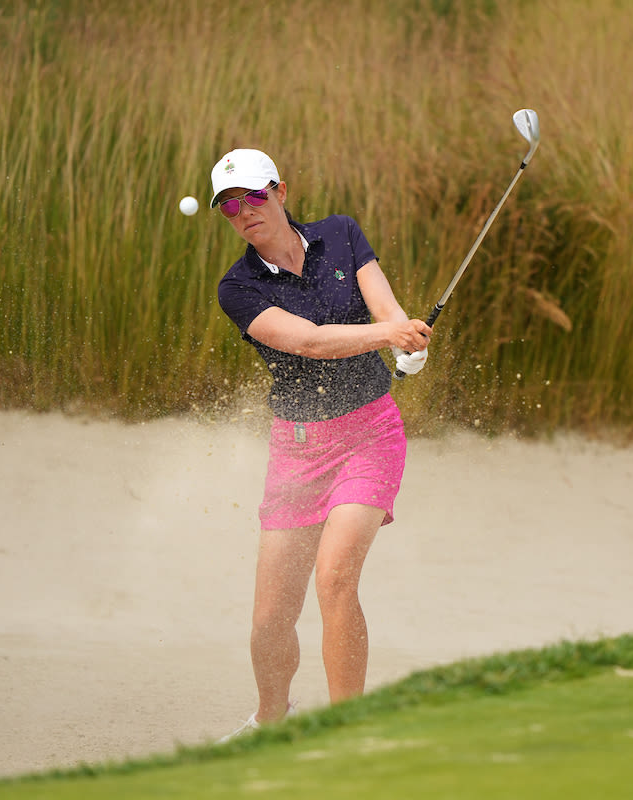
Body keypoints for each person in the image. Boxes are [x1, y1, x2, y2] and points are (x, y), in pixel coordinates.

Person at [208, 148, 431, 740]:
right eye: (229, 206)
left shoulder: (341, 235)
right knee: (271, 620)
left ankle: (345, 732)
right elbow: (307, 342)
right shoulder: (239, 287)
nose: (243, 211)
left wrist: (409, 344)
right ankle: (272, 720)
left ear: (281, 191)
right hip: (298, 452)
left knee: (335, 580)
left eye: (253, 196)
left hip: (370, 436)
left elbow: (387, 309)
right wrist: (390, 335)